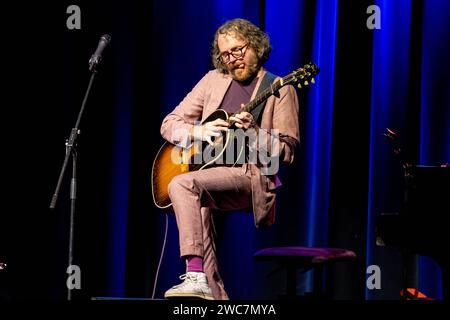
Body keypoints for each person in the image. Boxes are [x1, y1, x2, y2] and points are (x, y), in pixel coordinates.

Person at [160, 18, 300, 300]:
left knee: (182, 185)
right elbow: (169, 123)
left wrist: (255, 132)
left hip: (251, 177)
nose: (233, 59)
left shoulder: (279, 88)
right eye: (226, 54)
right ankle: (211, 293)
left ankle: (194, 274)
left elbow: (288, 151)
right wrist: (198, 130)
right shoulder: (213, 80)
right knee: (199, 217)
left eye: (239, 50)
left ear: (256, 46)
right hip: (208, 172)